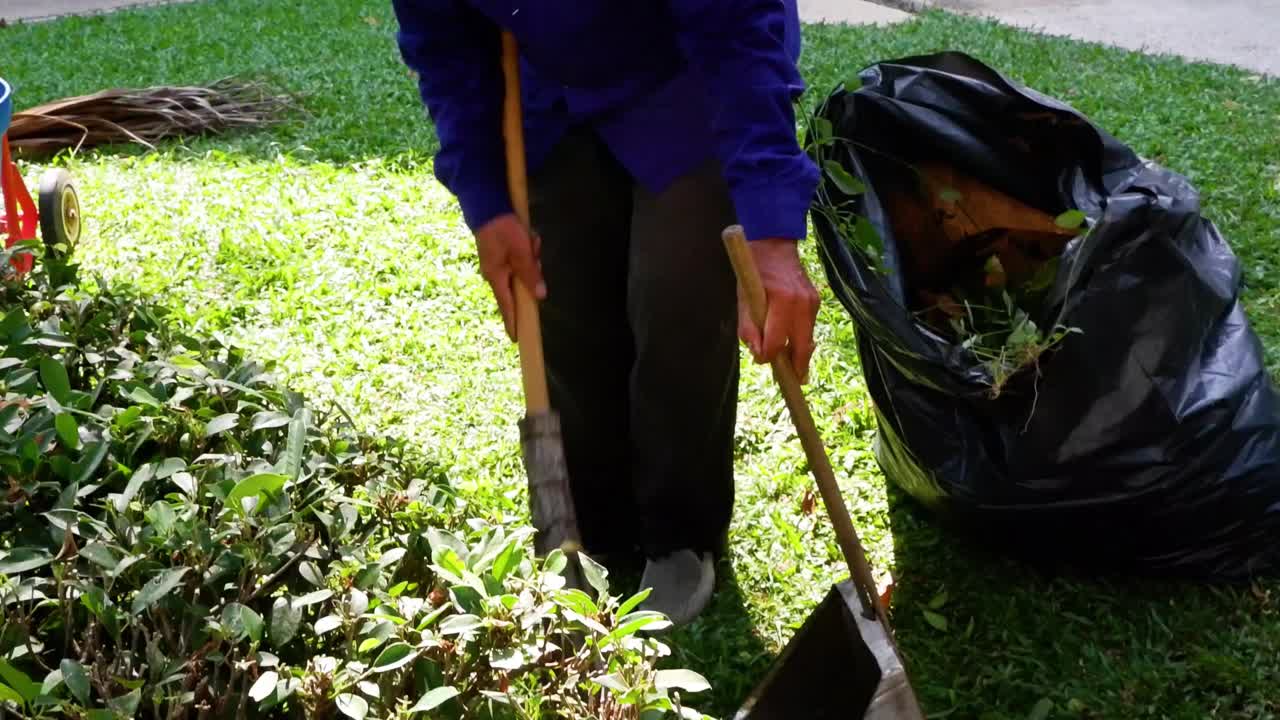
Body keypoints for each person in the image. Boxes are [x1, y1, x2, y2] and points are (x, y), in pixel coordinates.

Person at [391, 0, 822, 626]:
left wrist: (771, 226)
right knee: (562, 298)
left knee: (678, 294)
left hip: (690, 73)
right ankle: (595, 529)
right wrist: (486, 200)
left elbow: (733, 29)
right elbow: (446, 41)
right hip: (552, 88)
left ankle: (679, 533)